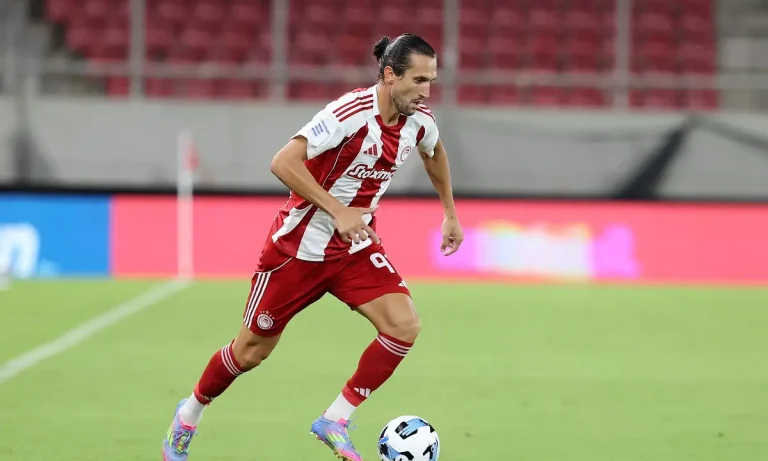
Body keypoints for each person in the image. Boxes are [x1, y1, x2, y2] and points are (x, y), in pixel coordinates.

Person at [162, 33, 464, 461]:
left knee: (404, 325)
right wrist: (339, 211)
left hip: (353, 249)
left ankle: (334, 419)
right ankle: (189, 414)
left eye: (431, 80)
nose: (426, 91)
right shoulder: (349, 113)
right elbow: (283, 162)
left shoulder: (419, 121)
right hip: (297, 250)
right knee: (250, 352)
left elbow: (434, 153)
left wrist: (449, 212)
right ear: (389, 75)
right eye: (418, 80)